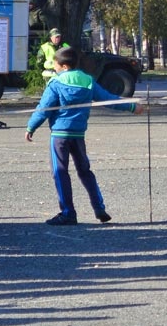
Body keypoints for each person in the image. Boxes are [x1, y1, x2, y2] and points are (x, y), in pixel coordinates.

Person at [25, 46, 144, 225]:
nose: (54, 68)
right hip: (78, 134)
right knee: (85, 171)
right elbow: (108, 99)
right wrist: (132, 106)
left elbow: (44, 109)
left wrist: (31, 127)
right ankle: (99, 207)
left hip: (59, 135)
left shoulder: (55, 83)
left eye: (56, 65)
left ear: (64, 66)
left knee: (60, 172)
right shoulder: (88, 81)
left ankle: (68, 212)